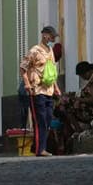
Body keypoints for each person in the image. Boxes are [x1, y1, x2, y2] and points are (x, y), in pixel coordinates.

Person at [20, 26, 62, 157]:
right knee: (40, 120)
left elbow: (51, 70)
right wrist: (27, 84)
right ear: (45, 35)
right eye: (52, 36)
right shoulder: (34, 51)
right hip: (37, 90)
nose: (53, 38)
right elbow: (23, 68)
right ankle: (40, 149)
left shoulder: (50, 51)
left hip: (48, 90)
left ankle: (37, 147)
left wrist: (56, 87)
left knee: (48, 119)